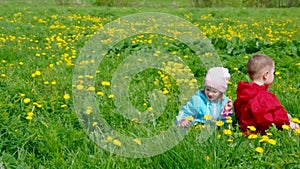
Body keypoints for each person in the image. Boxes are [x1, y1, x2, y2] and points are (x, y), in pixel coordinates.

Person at [234, 54, 299, 135]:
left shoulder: (244, 92)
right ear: (266, 75)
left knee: (287, 116)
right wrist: (288, 124)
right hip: (260, 133)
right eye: (273, 72)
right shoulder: (262, 96)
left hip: (246, 130)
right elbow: (268, 119)